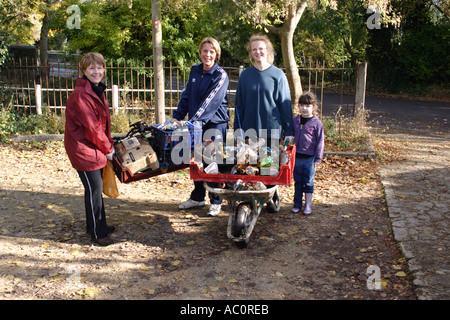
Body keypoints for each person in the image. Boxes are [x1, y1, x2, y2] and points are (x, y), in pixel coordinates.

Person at [233, 34, 294, 211]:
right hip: (250, 130)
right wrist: (238, 130)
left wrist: (288, 131)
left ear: (267, 50)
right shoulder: (245, 76)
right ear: (251, 53)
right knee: (251, 167)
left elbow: (285, 105)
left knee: (268, 168)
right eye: (254, 49)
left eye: (261, 48)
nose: (258, 52)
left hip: (272, 130)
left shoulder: (278, 75)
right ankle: (253, 200)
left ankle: (270, 196)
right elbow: (239, 106)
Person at [172, 37, 230, 217]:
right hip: (196, 124)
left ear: (217, 54)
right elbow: (187, 95)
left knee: (212, 162)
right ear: (200, 52)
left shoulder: (220, 75)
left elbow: (211, 102)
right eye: (205, 51)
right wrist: (176, 117)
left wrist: (193, 122)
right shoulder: (195, 70)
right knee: (196, 161)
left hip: (214, 124)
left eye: (212, 51)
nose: (208, 55)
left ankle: (216, 201)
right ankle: (197, 198)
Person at [64, 52, 116, 246]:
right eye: (92, 68)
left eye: (100, 67)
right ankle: (98, 233)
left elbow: (102, 124)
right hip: (83, 149)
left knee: (94, 189)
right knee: (95, 189)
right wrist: (108, 148)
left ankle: (95, 225)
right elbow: (92, 128)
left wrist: (107, 144)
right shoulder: (81, 95)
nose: (97, 71)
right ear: (84, 71)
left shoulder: (95, 90)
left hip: (93, 147)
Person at [291, 91, 324, 215]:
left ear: (313, 107)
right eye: (302, 105)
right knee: (298, 181)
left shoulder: (316, 123)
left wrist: (318, 158)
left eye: (308, 106)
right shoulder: (295, 121)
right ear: (298, 106)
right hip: (297, 157)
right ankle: (297, 204)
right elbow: (291, 134)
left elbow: (320, 142)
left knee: (308, 181)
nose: (304, 108)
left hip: (310, 158)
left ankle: (308, 205)